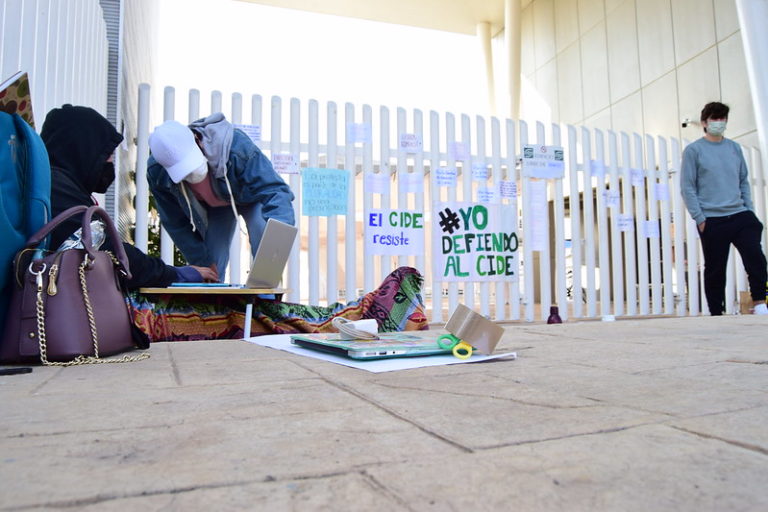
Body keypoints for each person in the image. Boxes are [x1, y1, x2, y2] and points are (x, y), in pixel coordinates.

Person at [41, 104, 218, 289]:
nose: (110, 162)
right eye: (106, 154)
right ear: (82, 150)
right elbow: (112, 254)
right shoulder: (56, 190)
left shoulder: (55, 184)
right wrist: (178, 274)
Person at [147, 114, 295, 279]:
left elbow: (275, 190)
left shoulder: (236, 148)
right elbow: (175, 222)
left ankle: (265, 297)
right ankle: (212, 302)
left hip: (251, 197)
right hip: (216, 207)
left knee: (264, 234)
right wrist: (201, 260)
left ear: (197, 140)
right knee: (210, 263)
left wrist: (277, 241)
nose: (191, 175)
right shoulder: (157, 172)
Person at [680, 101, 768, 315]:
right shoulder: (694, 151)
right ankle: (716, 312)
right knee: (715, 268)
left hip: (740, 214)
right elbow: (687, 186)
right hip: (712, 219)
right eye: (714, 119)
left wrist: (749, 210)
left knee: (756, 257)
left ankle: (760, 302)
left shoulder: (734, 148)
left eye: (722, 119)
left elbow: (743, 181)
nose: (719, 123)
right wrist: (699, 217)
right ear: (704, 122)